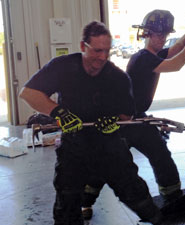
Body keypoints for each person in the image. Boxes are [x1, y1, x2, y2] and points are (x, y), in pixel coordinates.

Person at [19, 21, 162, 225]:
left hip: (109, 145)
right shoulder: (63, 67)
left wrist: (114, 120)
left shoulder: (118, 77)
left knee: (136, 194)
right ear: (82, 46)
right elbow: (28, 93)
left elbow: (127, 116)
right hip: (73, 145)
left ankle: (158, 220)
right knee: (66, 204)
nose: (102, 57)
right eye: (97, 50)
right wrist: (58, 112)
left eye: (106, 51)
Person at [82, 9, 185, 220]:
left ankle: (173, 199)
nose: (161, 39)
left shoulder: (152, 55)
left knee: (161, 156)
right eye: (157, 34)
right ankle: (83, 203)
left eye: (164, 34)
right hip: (121, 121)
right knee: (105, 164)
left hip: (138, 118)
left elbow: (173, 50)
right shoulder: (143, 58)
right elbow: (176, 64)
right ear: (146, 34)